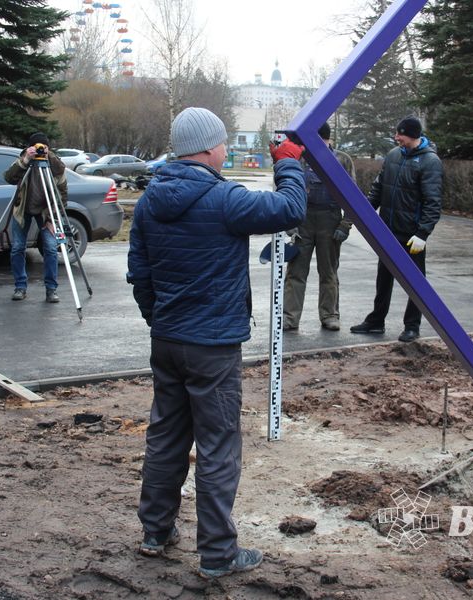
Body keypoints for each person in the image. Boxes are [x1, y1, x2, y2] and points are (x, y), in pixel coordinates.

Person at [127, 107, 305, 579]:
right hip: (212, 345)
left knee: (165, 436)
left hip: (167, 341)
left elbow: (139, 274)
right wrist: (288, 161)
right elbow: (290, 208)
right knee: (218, 445)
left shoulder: (149, 200)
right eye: (224, 143)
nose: (227, 150)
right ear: (209, 147)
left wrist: (159, 320)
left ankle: (155, 532)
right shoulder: (225, 198)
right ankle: (218, 555)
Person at [350, 116, 443, 342]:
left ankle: (412, 325)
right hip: (387, 231)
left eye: (400, 134)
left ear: (411, 135)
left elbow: (433, 201)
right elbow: (378, 187)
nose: (396, 137)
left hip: (411, 235)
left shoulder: (430, 161)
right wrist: (366, 212)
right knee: (383, 278)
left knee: (415, 282)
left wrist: (423, 233)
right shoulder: (393, 156)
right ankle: (376, 321)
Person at [283, 122, 356, 332]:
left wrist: (345, 224)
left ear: (328, 140)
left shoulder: (342, 160)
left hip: (330, 219)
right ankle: (290, 317)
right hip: (302, 218)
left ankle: (330, 315)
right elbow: (285, 188)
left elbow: (353, 196)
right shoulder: (299, 158)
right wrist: (290, 223)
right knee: (296, 271)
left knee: (329, 272)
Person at [3, 132, 68, 303]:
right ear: (30, 147)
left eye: (43, 147)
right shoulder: (24, 159)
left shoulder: (55, 165)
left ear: (48, 148)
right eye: (36, 147)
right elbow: (8, 178)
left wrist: (53, 218)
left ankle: (51, 289)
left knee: (51, 248)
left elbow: (62, 194)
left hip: (46, 211)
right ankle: (20, 287)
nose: (39, 150)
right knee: (17, 247)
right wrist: (25, 160)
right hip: (23, 209)